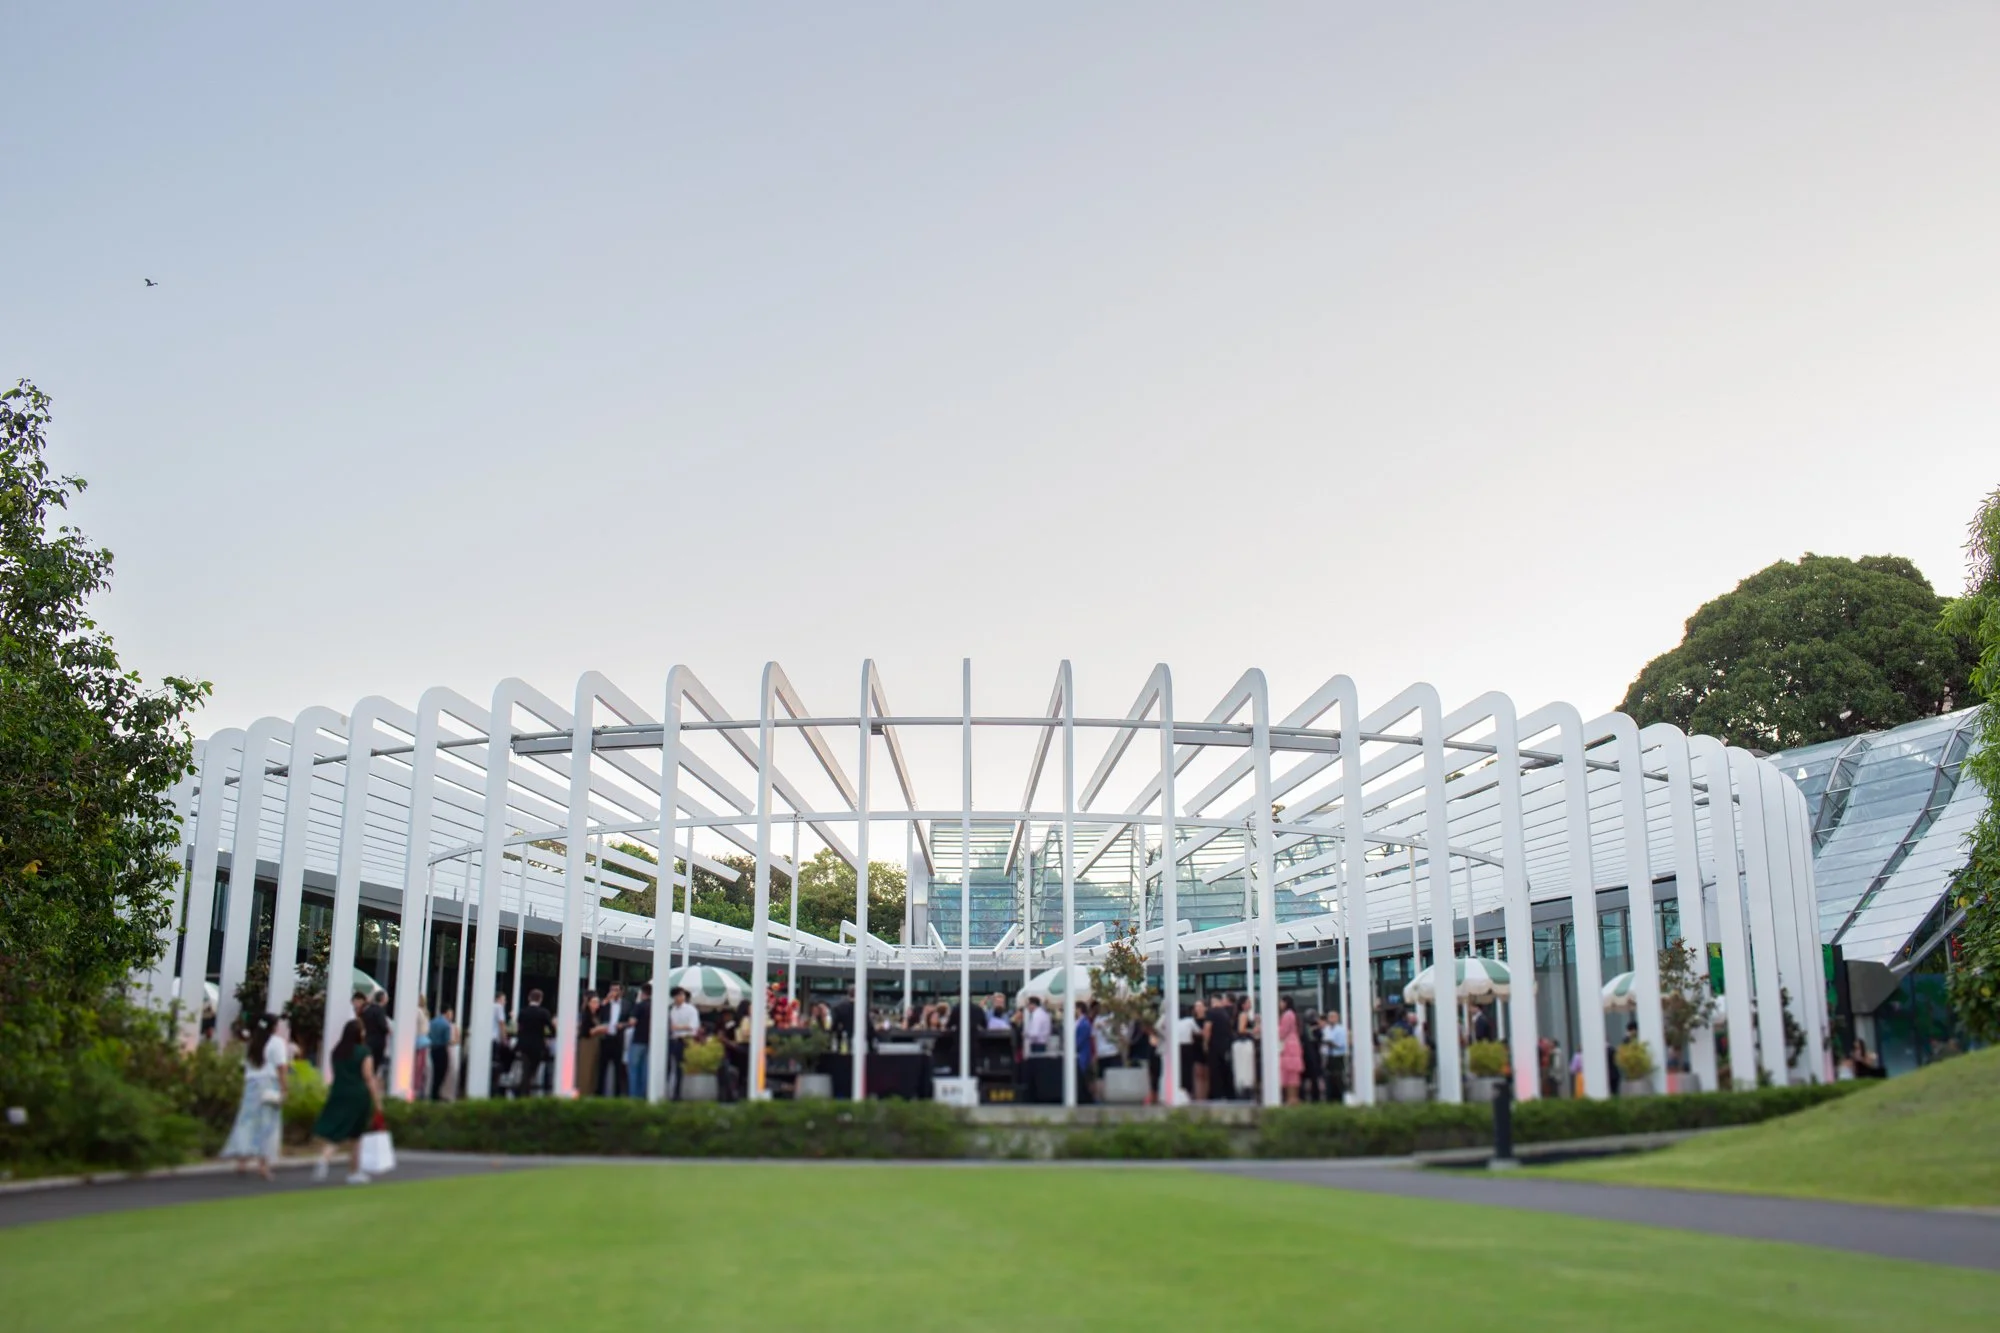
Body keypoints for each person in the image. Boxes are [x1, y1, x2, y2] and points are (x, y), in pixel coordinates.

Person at [312, 1018, 383, 1184]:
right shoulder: (364, 1052)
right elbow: (368, 1077)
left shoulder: (337, 1051)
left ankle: (324, 1158)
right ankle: (353, 1171)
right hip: (358, 1095)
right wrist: (377, 1100)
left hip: (339, 1091)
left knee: (337, 1130)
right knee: (356, 1134)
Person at [220, 1013, 289, 1180]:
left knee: (246, 1122)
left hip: (251, 1085)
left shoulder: (252, 1042)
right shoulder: (277, 1043)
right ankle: (263, 1166)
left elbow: (246, 1066)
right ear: (273, 1027)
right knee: (268, 1125)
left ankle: (242, 1161)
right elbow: (281, 1067)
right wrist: (285, 1088)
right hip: (269, 1084)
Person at [516, 988, 554, 1097]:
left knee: (525, 1068)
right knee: (533, 1069)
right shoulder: (544, 1013)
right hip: (537, 1045)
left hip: (523, 1045)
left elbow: (520, 1028)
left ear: (529, 998)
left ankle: (523, 1091)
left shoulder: (523, 1012)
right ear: (540, 999)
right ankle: (526, 1090)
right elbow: (552, 1029)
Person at [667, 985, 700, 1099]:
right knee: (673, 1067)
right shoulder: (672, 1010)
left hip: (686, 1040)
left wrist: (677, 1027)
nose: (680, 997)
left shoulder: (690, 1009)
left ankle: (679, 1094)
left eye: (682, 995)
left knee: (681, 1067)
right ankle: (673, 1092)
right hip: (674, 1040)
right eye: (678, 995)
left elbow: (693, 1026)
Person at [1205, 994, 1236, 1100]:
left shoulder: (1211, 1013)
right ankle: (1229, 1094)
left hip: (1214, 1045)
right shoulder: (1225, 1013)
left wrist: (1205, 1044)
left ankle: (1217, 1094)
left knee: (1215, 1071)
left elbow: (1207, 1029)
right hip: (1226, 1045)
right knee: (1226, 1070)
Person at [601, 983, 630, 1097]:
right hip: (605, 1038)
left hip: (618, 1039)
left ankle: (617, 1093)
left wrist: (623, 1025)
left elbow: (630, 1021)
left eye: (616, 990)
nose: (614, 992)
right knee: (602, 1066)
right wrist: (606, 1001)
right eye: (612, 989)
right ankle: (600, 1093)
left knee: (618, 1067)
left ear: (621, 992)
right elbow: (598, 1014)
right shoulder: (606, 1004)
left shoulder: (627, 1004)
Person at [626, 981, 653, 1098]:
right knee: (645, 1071)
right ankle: (643, 1095)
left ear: (642, 993)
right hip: (650, 1041)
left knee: (633, 1070)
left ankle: (633, 1096)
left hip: (638, 1041)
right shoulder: (655, 1006)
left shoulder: (639, 1006)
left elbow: (632, 1022)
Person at [1277, 996, 1304, 1105]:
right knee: (1293, 1074)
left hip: (1289, 1046)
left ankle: (1291, 1098)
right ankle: (1292, 1098)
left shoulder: (1287, 1015)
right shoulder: (1293, 1015)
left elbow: (1282, 1032)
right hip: (1293, 1044)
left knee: (1289, 1074)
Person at [578, 991, 604, 1098]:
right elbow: (585, 1032)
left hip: (595, 1044)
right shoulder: (586, 1016)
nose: (596, 1004)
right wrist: (598, 1029)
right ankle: (584, 1091)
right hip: (587, 1044)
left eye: (597, 1002)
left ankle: (591, 1091)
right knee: (586, 1068)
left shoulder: (597, 1015)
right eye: (594, 1002)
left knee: (594, 1068)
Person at [427, 1004, 455, 1101]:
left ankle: (433, 1093)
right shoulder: (446, 1025)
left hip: (433, 1049)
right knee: (442, 1072)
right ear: (447, 1013)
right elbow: (447, 1040)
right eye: (451, 1014)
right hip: (442, 1049)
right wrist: (454, 1041)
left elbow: (429, 1034)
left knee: (435, 1072)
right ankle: (436, 1094)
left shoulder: (432, 1022)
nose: (452, 1016)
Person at [360, 988, 390, 1074]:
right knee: (375, 1066)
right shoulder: (380, 1011)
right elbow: (382, 1026)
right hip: (378, 1042)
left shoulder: (367, 1010)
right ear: (382, 999)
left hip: (368, 1039)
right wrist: (388, 1030)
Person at [1175, 1002, 1200, 1102]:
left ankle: (1179, 1089)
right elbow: (1198, 1031)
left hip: (1177, 1046)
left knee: (1179, 1069)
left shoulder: (1174, 1021)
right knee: (1188, 1069)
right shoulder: (1190, 1021)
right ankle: (1189, 1091)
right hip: (1188, 1046)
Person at [1324, 1010, 1349, 1103]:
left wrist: (1332, 1044)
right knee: (1329, 1077)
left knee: (1338, 1076)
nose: (1331, 1019)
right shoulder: (1326, 1029)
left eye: (1333, 1017)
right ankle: (1330, 1097)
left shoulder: (1341, 1029)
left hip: (1338, 1055)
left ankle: (1340, 1097)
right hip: (1328, 1055)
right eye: (1330, 1017)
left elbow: (1341, 1044)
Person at [1074, 1003, 1096, 1104]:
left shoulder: (1084, 1023)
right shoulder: (1079, 1022)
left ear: (1079, 1009)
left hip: (1083, 1053)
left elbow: (1080, 1040)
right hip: (1080, 1053)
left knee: (1083, 1075)